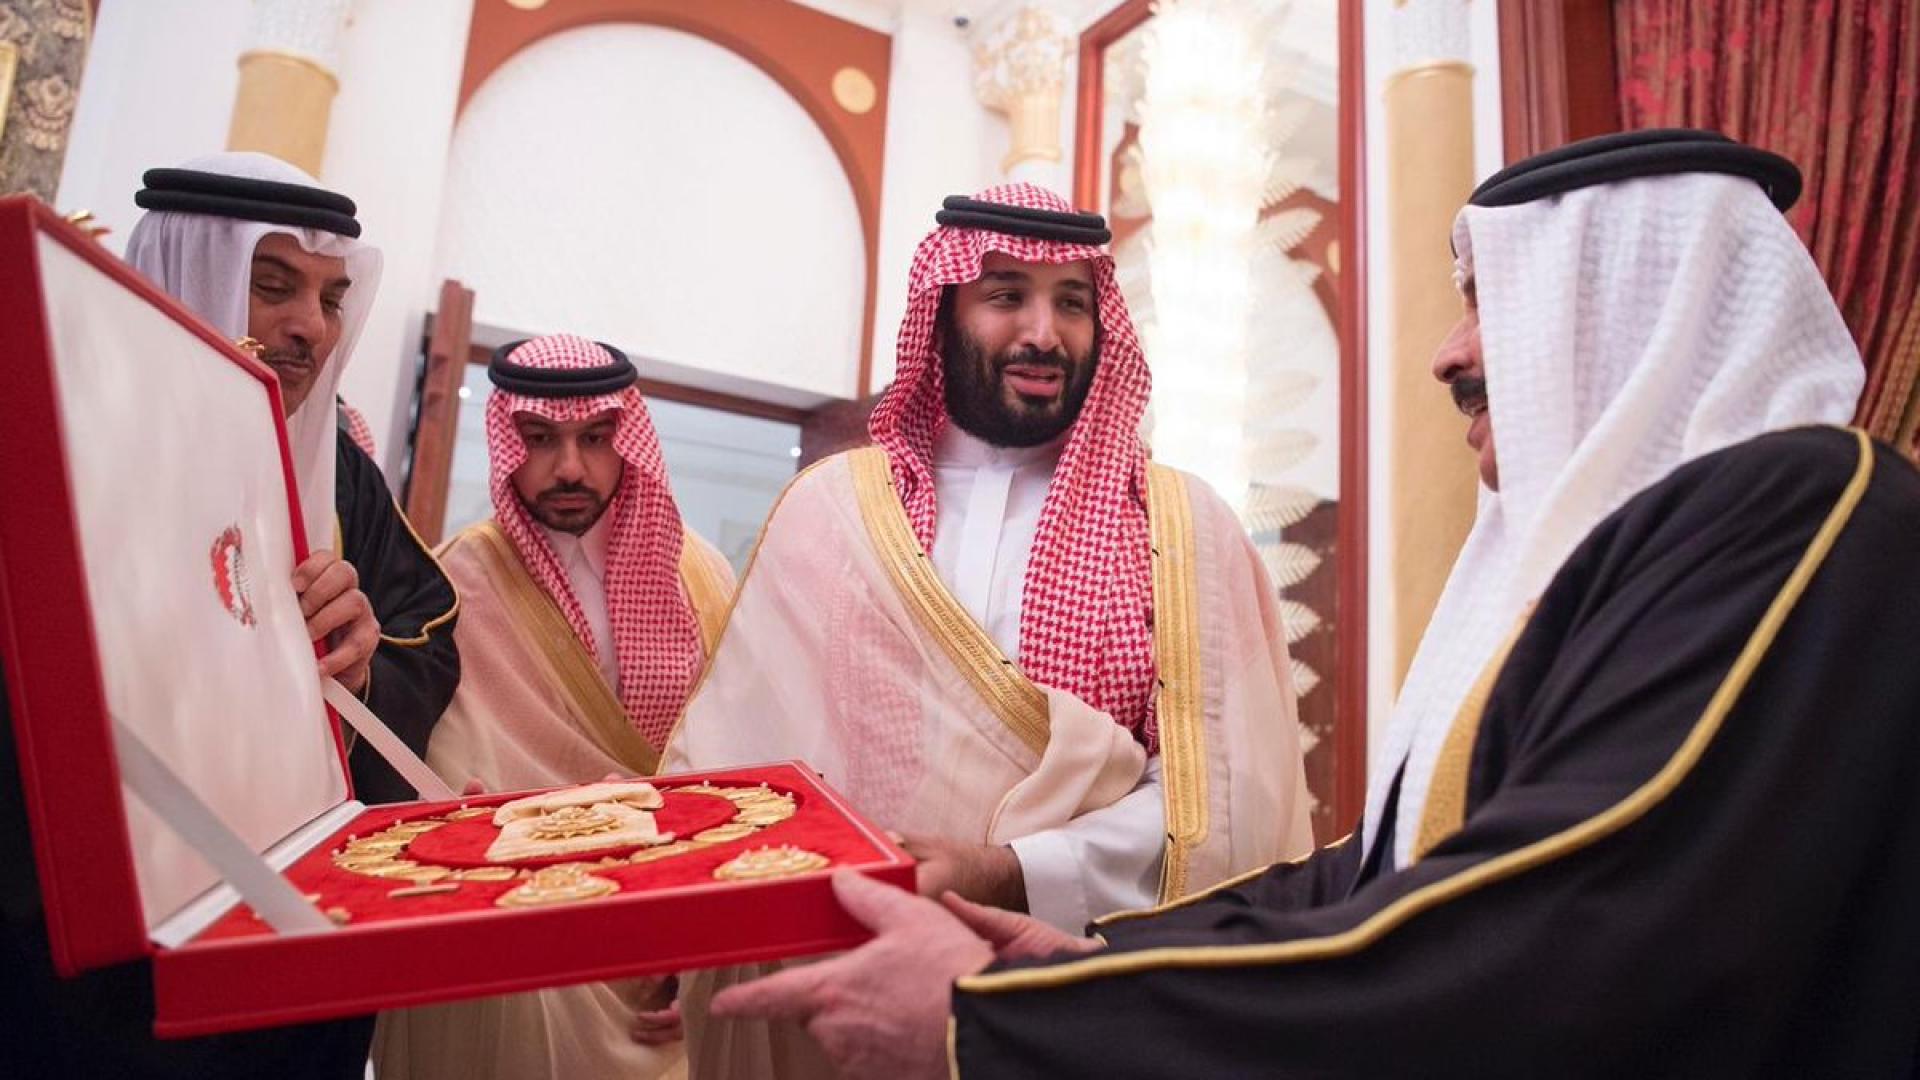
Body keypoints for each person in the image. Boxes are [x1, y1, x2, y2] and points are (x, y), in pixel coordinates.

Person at [706, 131, 1920, 1077]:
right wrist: (1078, 960)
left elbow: (1559, 914)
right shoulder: (1623, 545)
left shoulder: (1801, 506)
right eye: (1004, 295)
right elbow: (1368, 873)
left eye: (1488, 301)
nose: (1448, 354)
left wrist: (1015, 1009)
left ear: (1631, 305)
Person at [662, 184, 1313, 1076]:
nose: (1044, 333)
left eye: (1072, 303)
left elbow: (1228, 806)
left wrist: (1014, 868)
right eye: (1007, 295)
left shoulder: (1184, 531)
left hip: (1069, 999)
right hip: (839, 984)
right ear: (945, 312)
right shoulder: (832, 511)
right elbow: (733, 766)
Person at [371, 333, 734, 1080]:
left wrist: (704, 940)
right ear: (508, 442)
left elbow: (734, 771)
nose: (569, 468)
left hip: (673, 928)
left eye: (595, 439)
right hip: (527, 946)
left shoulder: (700, 573)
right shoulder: (457, 585)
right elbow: (452, 785)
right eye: (540, 439)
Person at [125, 152, 460, 805]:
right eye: (274, 287)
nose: (311, 326)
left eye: (331, 300)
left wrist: (357, 666)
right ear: (187, 278)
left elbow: (425, 637)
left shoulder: (341, 475)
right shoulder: (75, 445)